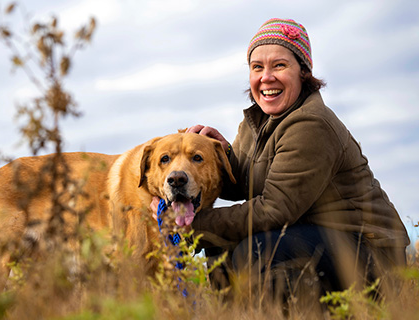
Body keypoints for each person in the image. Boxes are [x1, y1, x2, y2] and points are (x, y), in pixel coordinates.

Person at [154, 18, 409, 298]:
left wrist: (191, 226)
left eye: (279, 65)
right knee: (220, 241)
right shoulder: (258, 121)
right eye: (257, 67)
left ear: (303, 71)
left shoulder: (311, 124)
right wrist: (218, 156)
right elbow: (243, 182)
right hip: (318, 235)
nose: (266, 77)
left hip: (371, 254)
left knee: (255, 252)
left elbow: (275, 210)